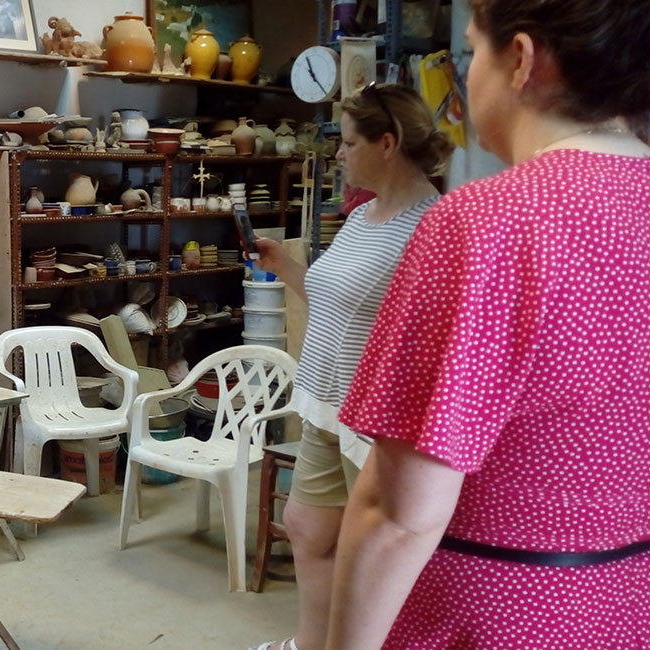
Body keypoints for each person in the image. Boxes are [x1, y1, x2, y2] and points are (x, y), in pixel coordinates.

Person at [326, 1, 650, 648]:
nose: (467, 78)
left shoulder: (487, 223)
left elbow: (399, 515)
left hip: (491, 615)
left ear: (523, 60)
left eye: (472, 53)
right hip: (627, 604)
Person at [248, 84, 454, 650]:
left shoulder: (430, 227)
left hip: (372, 420)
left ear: (387, 143)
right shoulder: (364, 218)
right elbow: (338, 297)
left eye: (349, 141)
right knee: (308, 529)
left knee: (370, 556)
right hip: (322, 399)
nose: (339, 153)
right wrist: (286, 265)